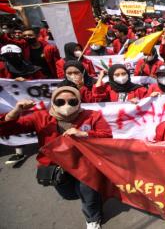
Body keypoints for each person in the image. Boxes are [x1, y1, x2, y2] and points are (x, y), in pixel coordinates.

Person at [0, 86, 112, 229]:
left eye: (72, 102)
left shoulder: (93, 116)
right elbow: (4, 129)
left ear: (79, 102)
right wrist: (16, 111)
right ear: (53, 102)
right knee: (70, 195)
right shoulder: (40, 117)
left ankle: (93, 218)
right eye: (60, 102)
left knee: (88, 194)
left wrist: (84, 134)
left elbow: (107, 136)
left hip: (85, 164)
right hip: (57, 166)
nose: (66, 106)